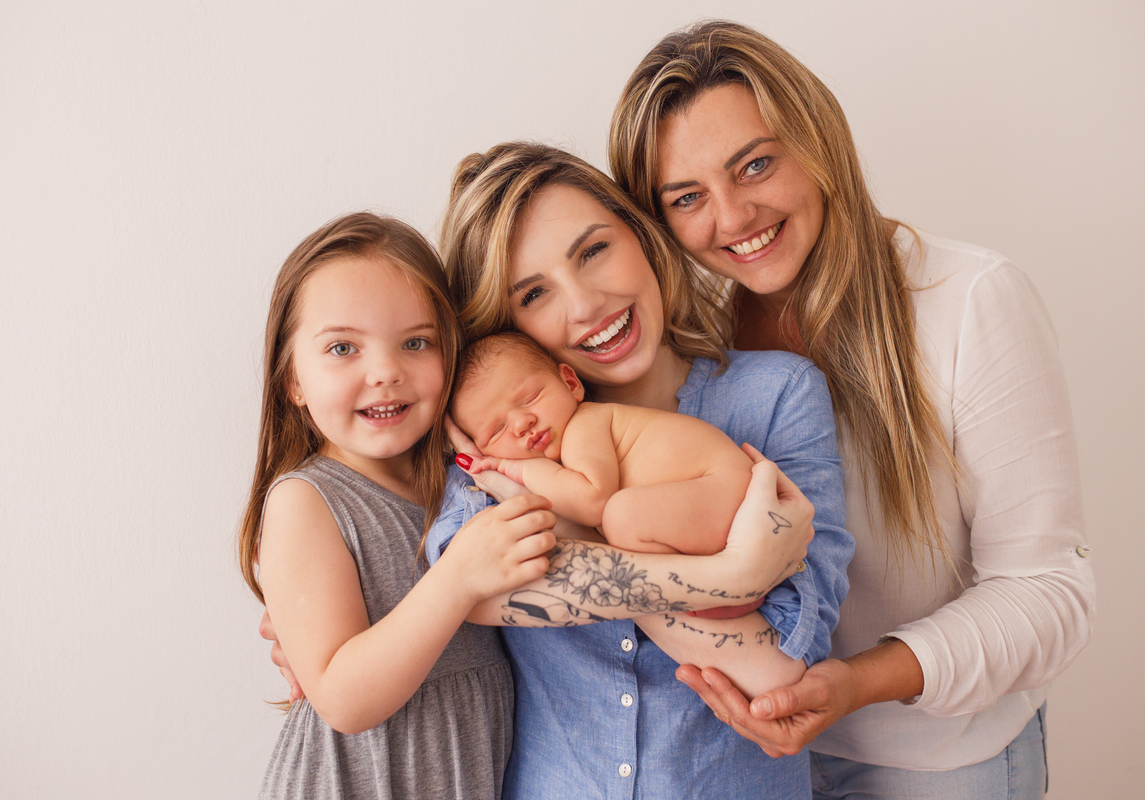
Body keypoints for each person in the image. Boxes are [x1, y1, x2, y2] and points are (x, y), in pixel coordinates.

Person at [608, 20, 1096, 798]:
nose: (732, 218)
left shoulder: (970, 301)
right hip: (756, 764)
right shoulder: (689, 350)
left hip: (941, 763)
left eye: (756, 164)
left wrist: (855, 683)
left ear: (819, 139)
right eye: (688, 197)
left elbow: (1049, 593)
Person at [427, 140, 853, 798]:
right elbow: (466, 590)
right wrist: (729, 575)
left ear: (643, 236)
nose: (584, 304)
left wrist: (574, 541)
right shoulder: (501, 435)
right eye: (534, 293)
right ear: (504, 324)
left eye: (594, 250)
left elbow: (778, 668)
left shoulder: (775, 395)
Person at [237, 212, 561, 799]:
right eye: (342, 348)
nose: (385, 372)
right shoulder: (306, 501)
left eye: (416, 342)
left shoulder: (460, 482)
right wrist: (457, 577)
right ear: (294, 381)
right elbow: (342, 699)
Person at [450, 329, 763, 619]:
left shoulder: (584, 425)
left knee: (620, 516)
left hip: (726, 490)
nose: (521, 423)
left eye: (531, 398)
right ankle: (717, 588)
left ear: (571, 384)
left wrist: (521, 468)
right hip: (716, 501)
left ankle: (711, 587)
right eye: (497, 430)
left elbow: (592, 501)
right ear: (483, 452)